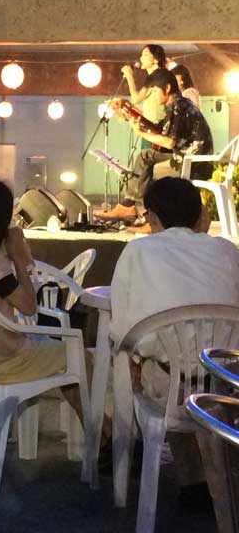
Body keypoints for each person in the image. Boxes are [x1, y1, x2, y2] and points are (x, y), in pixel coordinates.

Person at [110, 177, 239, 505]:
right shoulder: (226, 250)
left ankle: (181, 476)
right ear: (201, 214)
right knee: (185, 358)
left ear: (151, 216)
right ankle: (207, 479)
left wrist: (133, 360)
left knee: (149, 361)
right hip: (226, 388)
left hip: (171, 388)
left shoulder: (138, 251)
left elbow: (122, 331)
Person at [0, 176, 88, 416]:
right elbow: (30, 307)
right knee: (81, 357)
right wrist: (19, 258)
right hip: (7, 359)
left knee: (60, 354)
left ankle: (102, 428)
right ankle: (100, 429)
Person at [98, 68, 213, 222]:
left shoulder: (178, 106)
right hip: (189, 158)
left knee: (145, 160)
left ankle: (143, 213)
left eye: (155, 91)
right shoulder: (179, 104)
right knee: (146, 160)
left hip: (193, 164)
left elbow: (169, 142)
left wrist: (140, 133)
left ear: (167, 88)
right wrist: (130, 113)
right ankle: (141, 212)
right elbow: (157, 129)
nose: (153, 95)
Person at [121, 44, 167, 125]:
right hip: (155, 125)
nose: (141, 58)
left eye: (145, 55)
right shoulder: (158, 75)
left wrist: (129, 76)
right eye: (141, 55)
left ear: (156, 60)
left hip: (157, 126)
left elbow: (136, 98)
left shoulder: (157, 76)